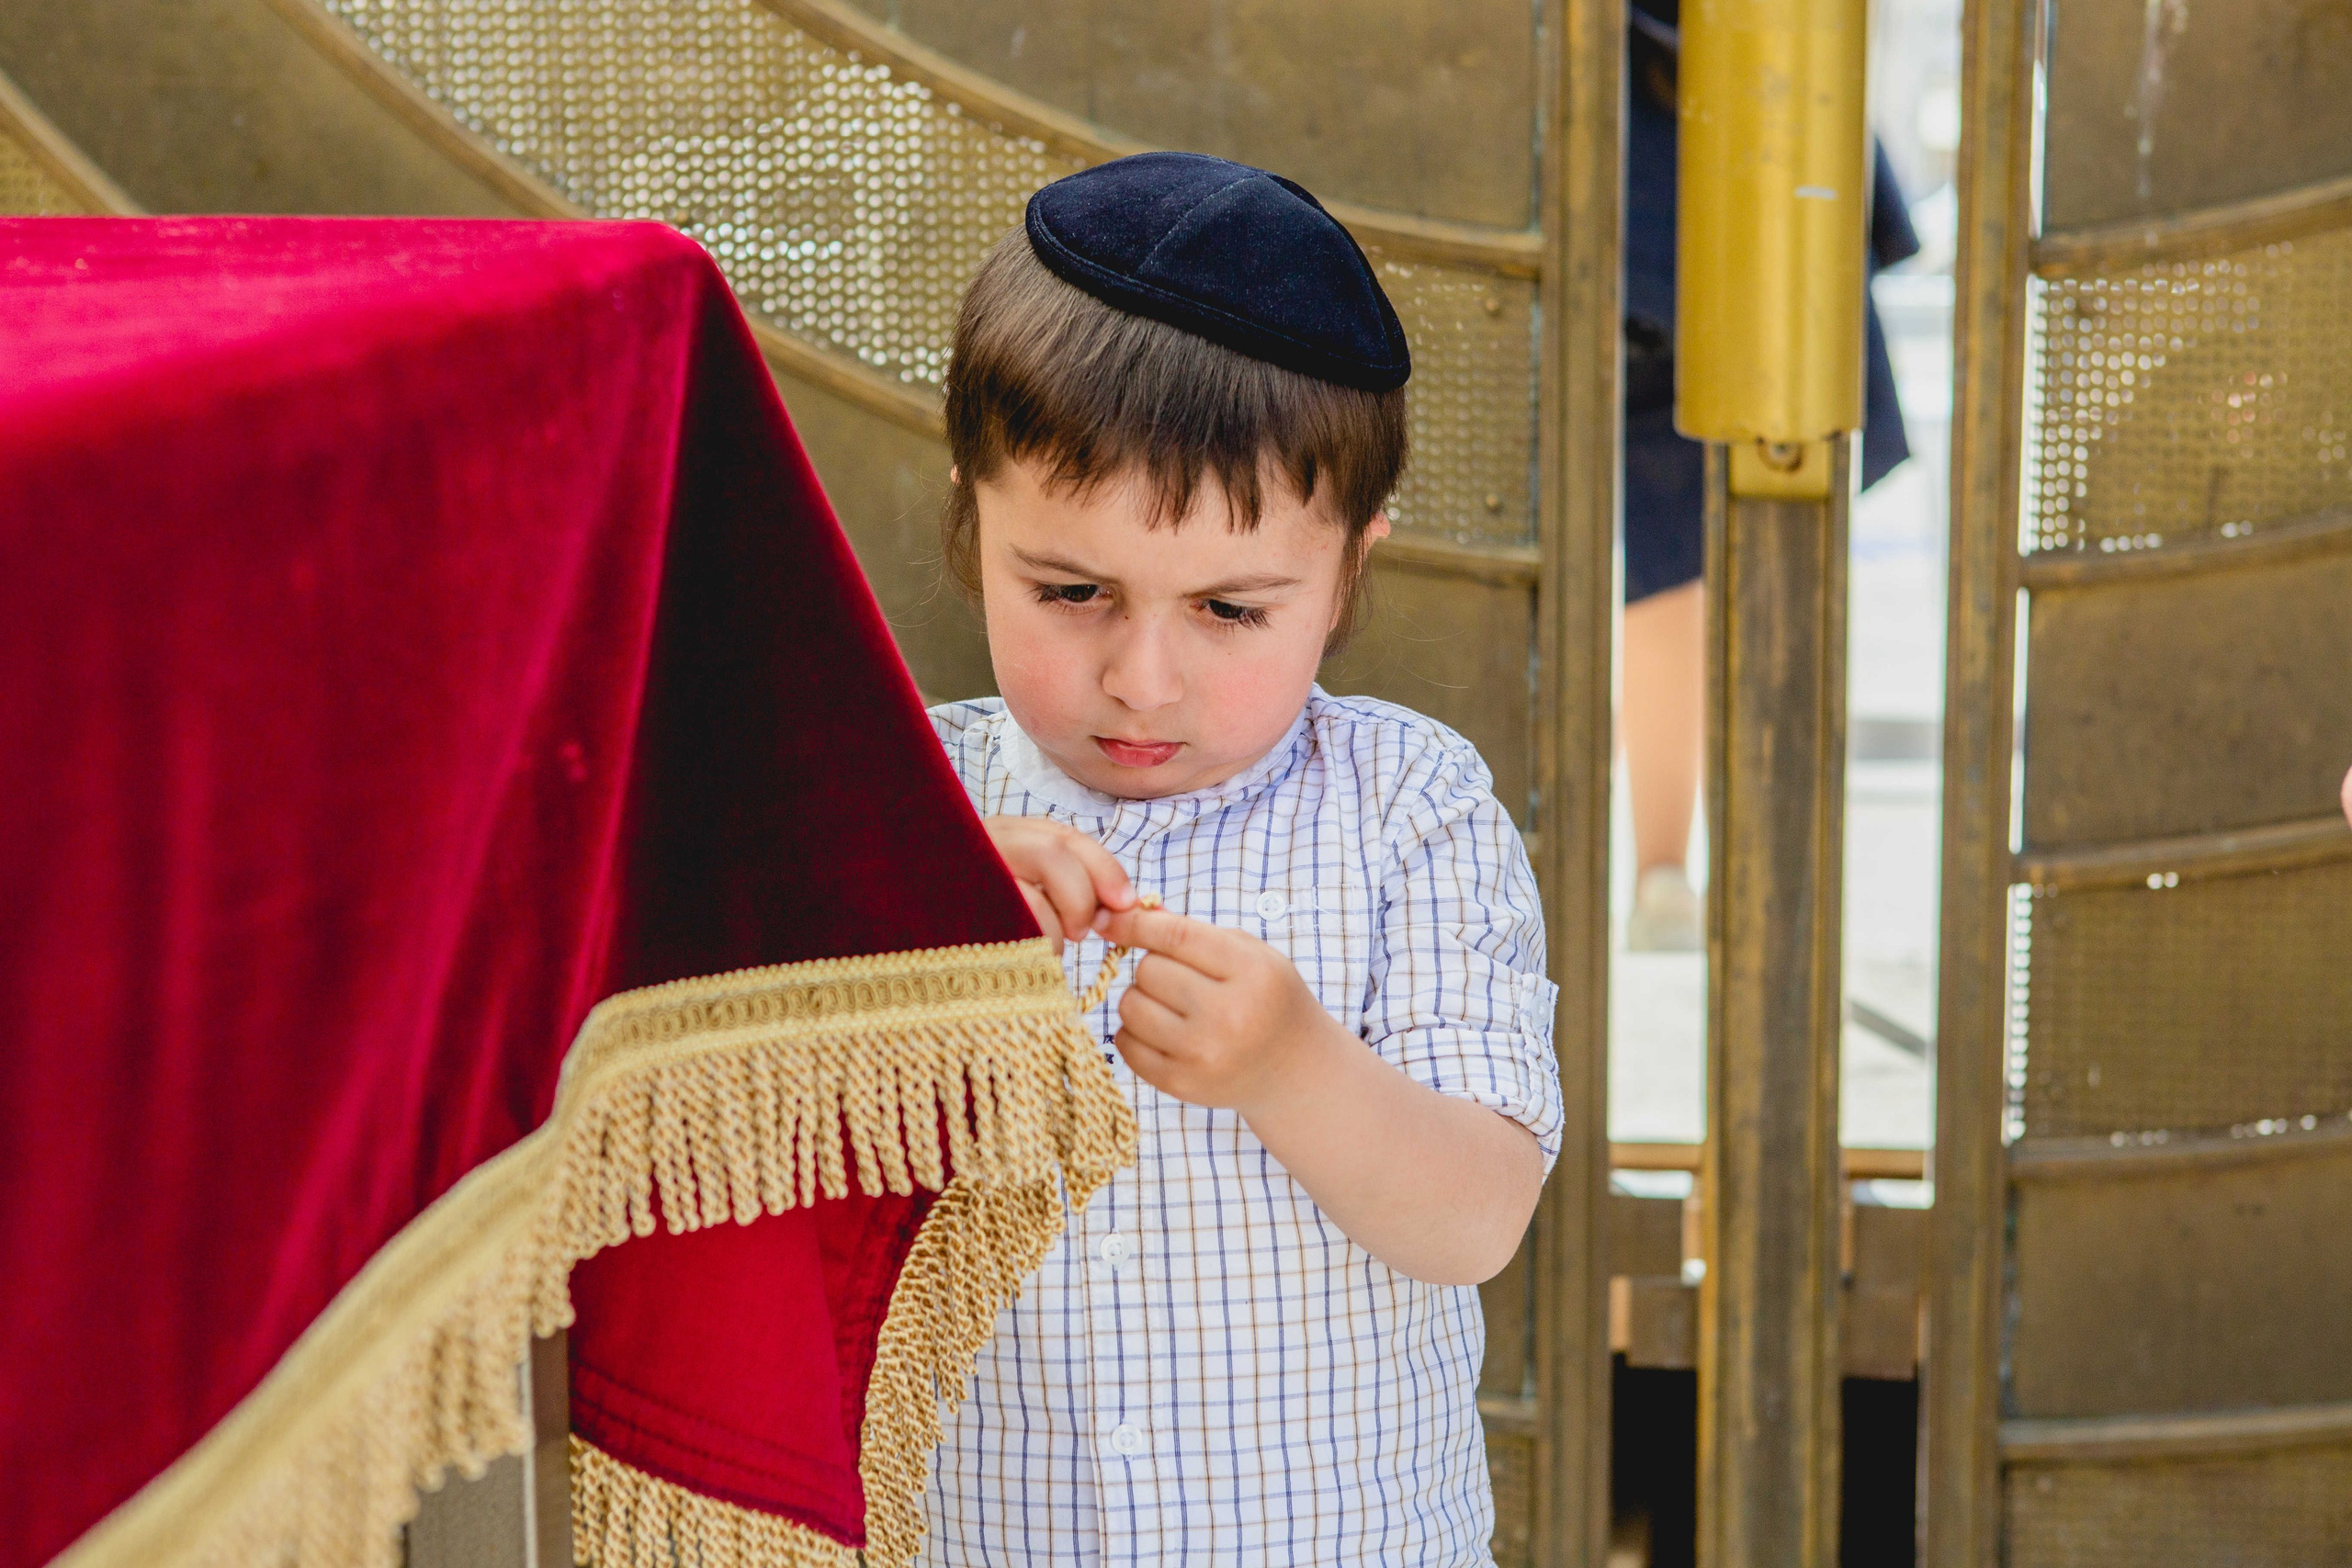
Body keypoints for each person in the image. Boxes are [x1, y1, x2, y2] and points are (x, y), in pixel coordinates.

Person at [919, 152, 1562, 1564]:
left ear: (1347, 568)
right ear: (974, 506)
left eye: (1229, 608)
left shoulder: (1409, 805)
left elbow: (1478, 1215)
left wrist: (1293, 1066)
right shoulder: (903, 803)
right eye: (1071, 589)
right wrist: (915, 924)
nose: (1142, 677)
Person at [1619, 0, 1919, 948]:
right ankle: (1744, 884)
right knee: (1750, 541)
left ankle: (1688, 877)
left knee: (1686, 568)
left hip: (1684, 157)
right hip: (1769, 135)